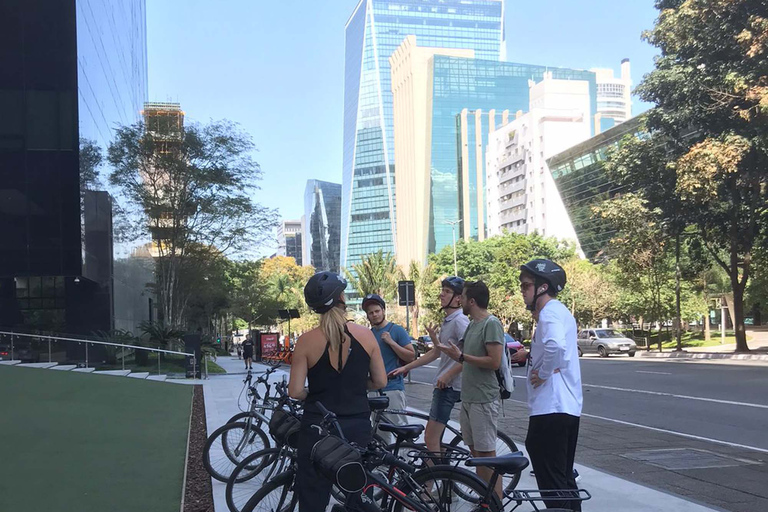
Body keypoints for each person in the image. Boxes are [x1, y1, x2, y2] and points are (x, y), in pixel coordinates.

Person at [288, 271, 388, 512]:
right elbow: (380, 381)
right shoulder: (366, 336)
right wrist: (354, 386)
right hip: (356, 426)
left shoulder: (306, 341)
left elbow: (294, 391)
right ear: (342, 298)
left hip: (317, 429)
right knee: (356, 493)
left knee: (312, 497)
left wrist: (315, 394)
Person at [511, 259, 583, 511]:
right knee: (563, 480)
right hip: (564, 407)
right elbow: (555, 348)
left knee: (552, 484)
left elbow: (555, 346)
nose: (522, 290)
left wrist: (541, 373)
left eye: (526, 285)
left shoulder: (550, 312)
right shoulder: (561, 311)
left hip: (551, 408)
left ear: (543, 287)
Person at [436, 280, 504, 498]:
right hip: (469, 398)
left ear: (472, 301)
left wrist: (462, 357)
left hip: (483, 399)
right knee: (477, 454)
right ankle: (486, 500)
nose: (460, 300)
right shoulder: (473, 324)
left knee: (487, 456)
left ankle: (496, 503)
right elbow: (458, 355)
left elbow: (494, 361)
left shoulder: (490, 324)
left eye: (462, 297)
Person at [389, 276, 469, 459]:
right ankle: (441, 477)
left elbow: (469, 356)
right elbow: (435, 353)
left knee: (431, 438)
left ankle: (433, 483)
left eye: (447, 291)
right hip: (444, 386)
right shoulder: (449, 320)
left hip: (449, 387)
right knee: (434, 439)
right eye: (442, 290)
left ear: (458, 298)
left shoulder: (460, 321)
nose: (441, 294)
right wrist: (406, 368)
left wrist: (448, 375)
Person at [361, 293, 415, 442]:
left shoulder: (396, 330)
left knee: (399, 429)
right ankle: (384, 465)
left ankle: (403, 462)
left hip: (393, 388)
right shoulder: (368, 334)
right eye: (370, 313)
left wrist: (391, 342)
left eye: (377, 311)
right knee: (378, 432)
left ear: (383, 311)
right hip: (373, 390)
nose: (374, 315)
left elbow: (411, 356)